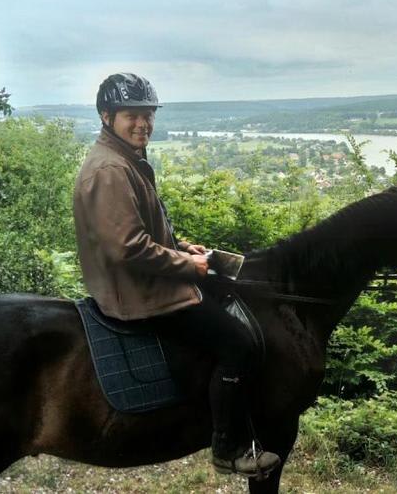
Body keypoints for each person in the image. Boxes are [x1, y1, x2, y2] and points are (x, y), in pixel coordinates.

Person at [72, 72, 280, 478]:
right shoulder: (111, 170)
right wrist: (189, 267)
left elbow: (145, 231)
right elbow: (129, 246)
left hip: (144, 280)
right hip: (137, 293)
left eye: (148, 115)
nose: (142, 124)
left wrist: (183, 249)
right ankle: (228, 448)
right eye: (132, 115)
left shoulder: (125, 159)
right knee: (239, 343)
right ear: (106, 115)